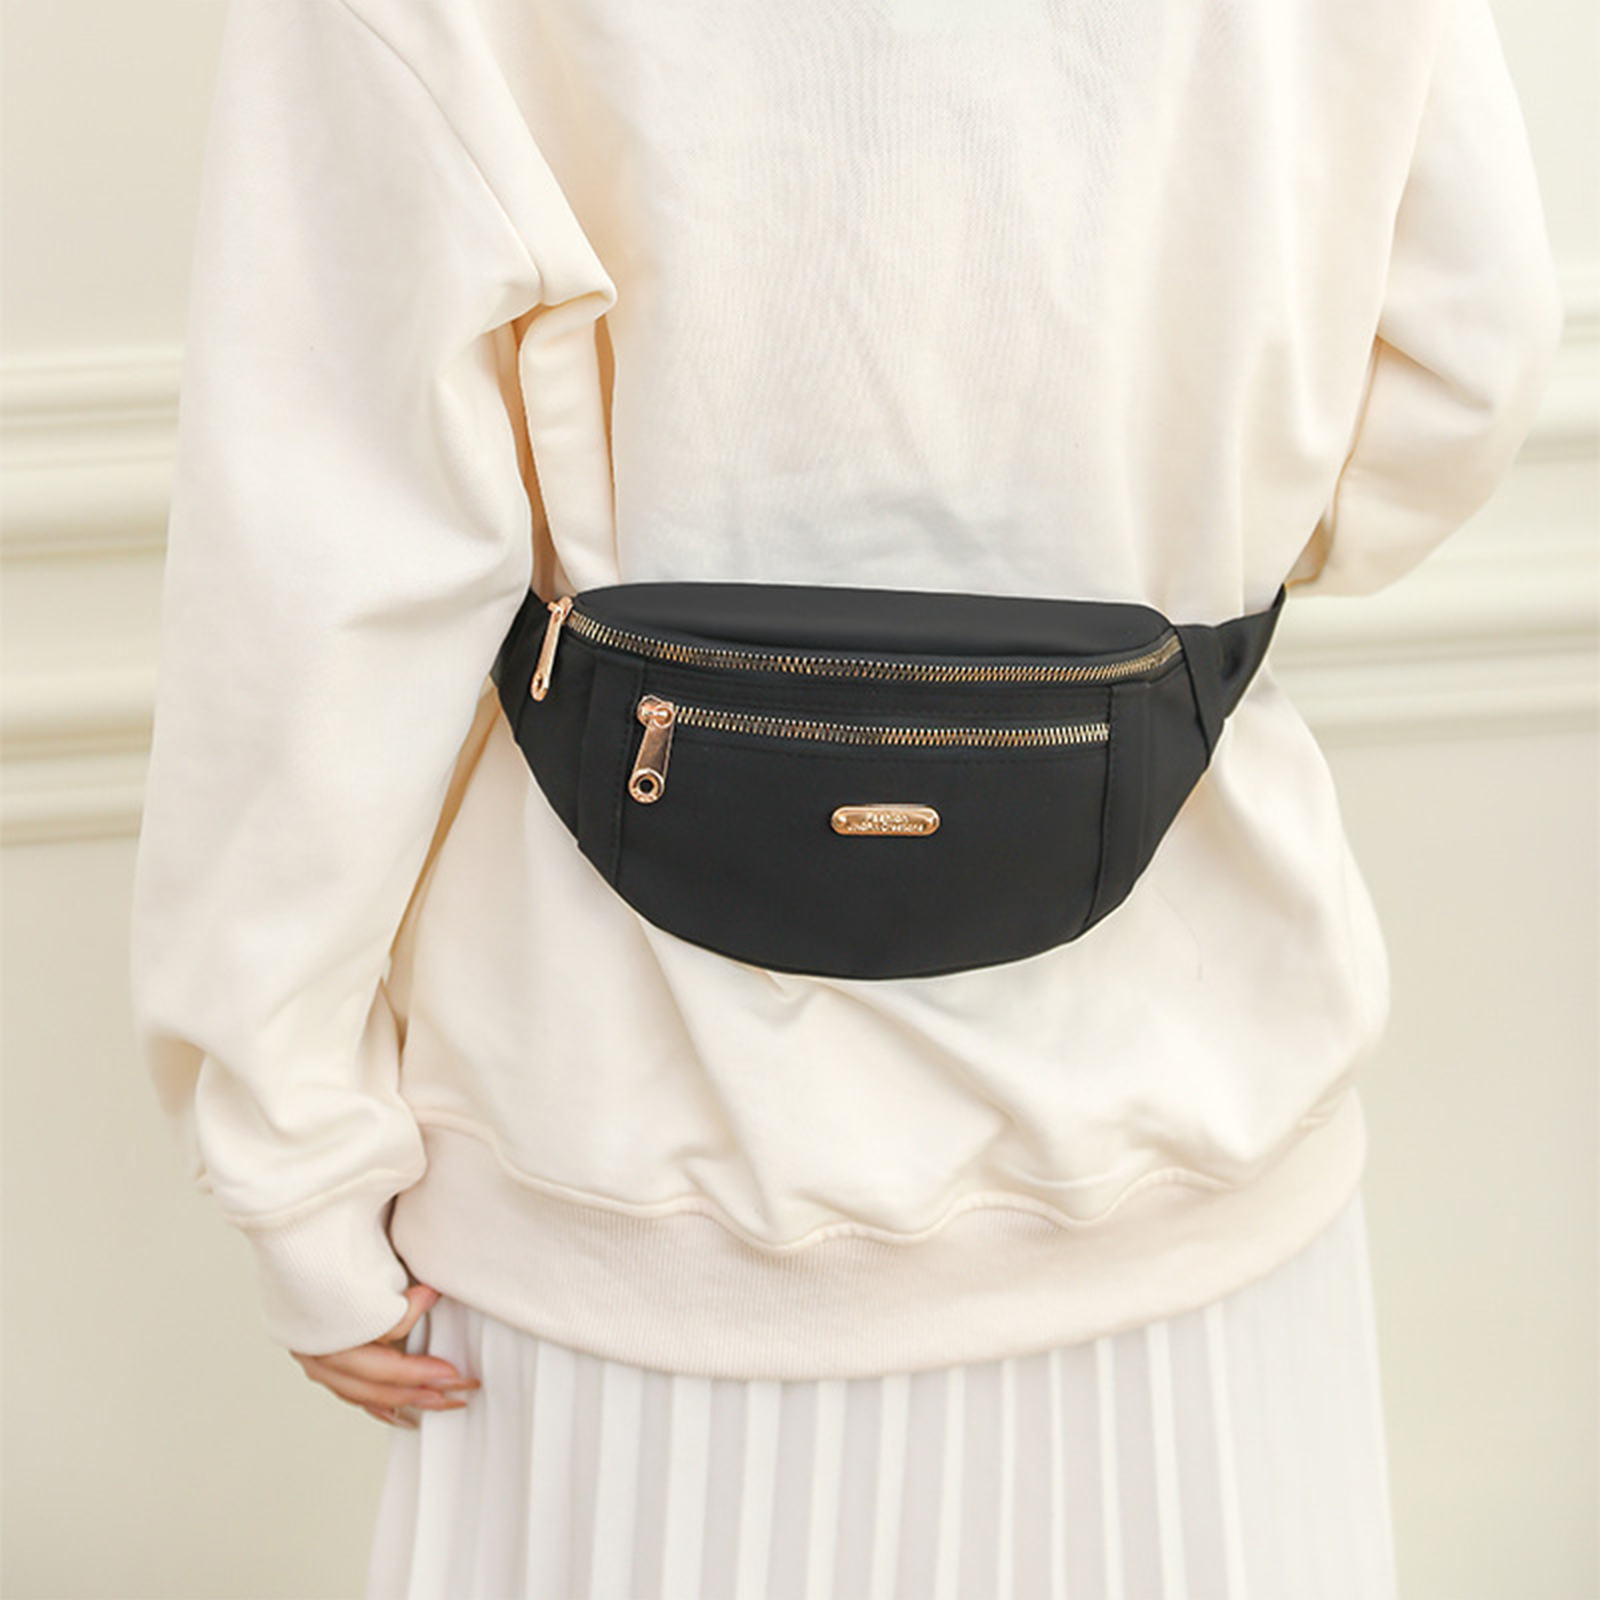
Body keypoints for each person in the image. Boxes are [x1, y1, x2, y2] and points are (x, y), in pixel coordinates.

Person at [129, 0, 1562, 1594]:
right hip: (1196, 1113)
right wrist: (1173, 535)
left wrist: (293, 1156)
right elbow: (1457, 375)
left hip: (641, 1157)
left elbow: (328, 562)